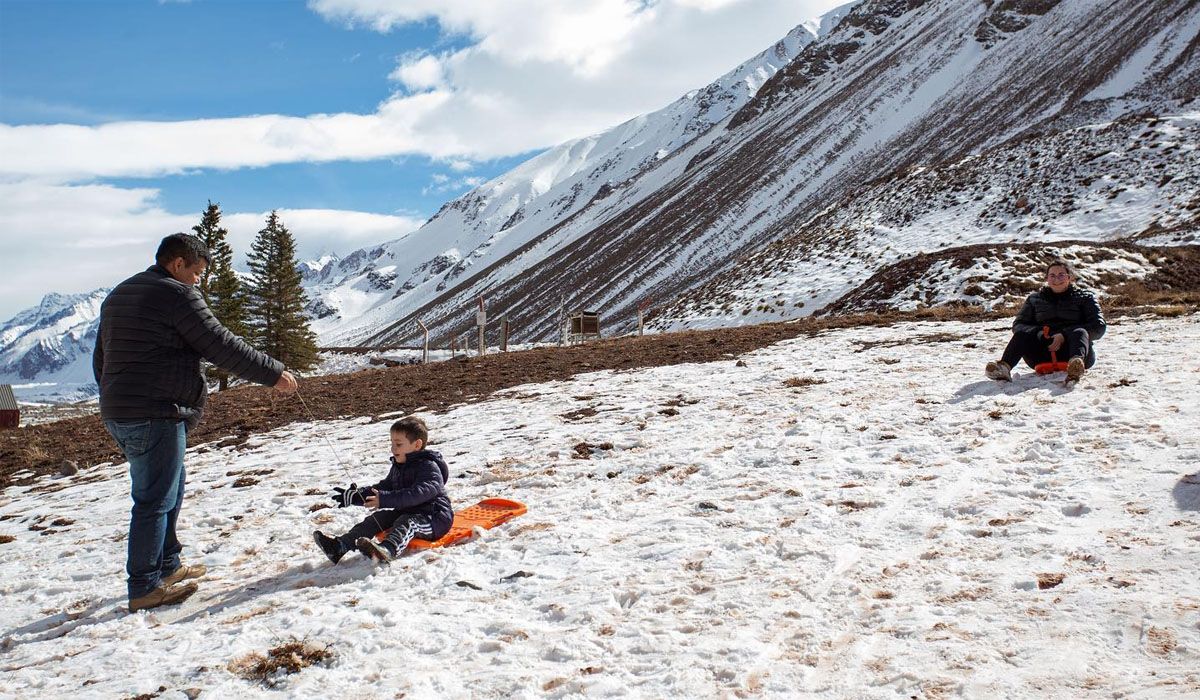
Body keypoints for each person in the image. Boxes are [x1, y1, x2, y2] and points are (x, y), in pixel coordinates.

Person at [94, 233, 298, 612]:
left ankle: (168, 565)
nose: (199, 280)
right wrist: (273, 373)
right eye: (198, 272)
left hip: (123, 410)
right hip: (157, 411)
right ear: (177, 264)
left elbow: (101, 357)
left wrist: (116, 398)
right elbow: (220, 343)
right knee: (154, 499)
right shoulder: (176, 294)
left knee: (170, 489)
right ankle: (143, 586)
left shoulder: (120, 293)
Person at [313, 416, 453, 564]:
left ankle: (387, 550)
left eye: (398, 444)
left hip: (434, 517)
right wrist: (356, 496)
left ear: (417, 445)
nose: (393, 449)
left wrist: (385, 499)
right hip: (406, 511)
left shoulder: (429, 467)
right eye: (392, 443)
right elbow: (384, 487)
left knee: (408, 522)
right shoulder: (399, 467)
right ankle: (339, 546)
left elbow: (420, 492)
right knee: (377, 519)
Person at [986, 258, 1107, 382]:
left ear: (1069, 277)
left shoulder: (1086, 297)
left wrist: (1064, 335)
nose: (1056, 279)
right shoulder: (1034, 299)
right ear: (1047, 279)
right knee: (1022, 334)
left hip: (1075, 350)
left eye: (1061, 275)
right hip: (1041, 354)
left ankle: (1076, 367)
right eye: (1052, 275)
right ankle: (1003, 367)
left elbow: (1099, 326)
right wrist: (1039, 333)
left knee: (1079, 331)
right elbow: (1018, 325)